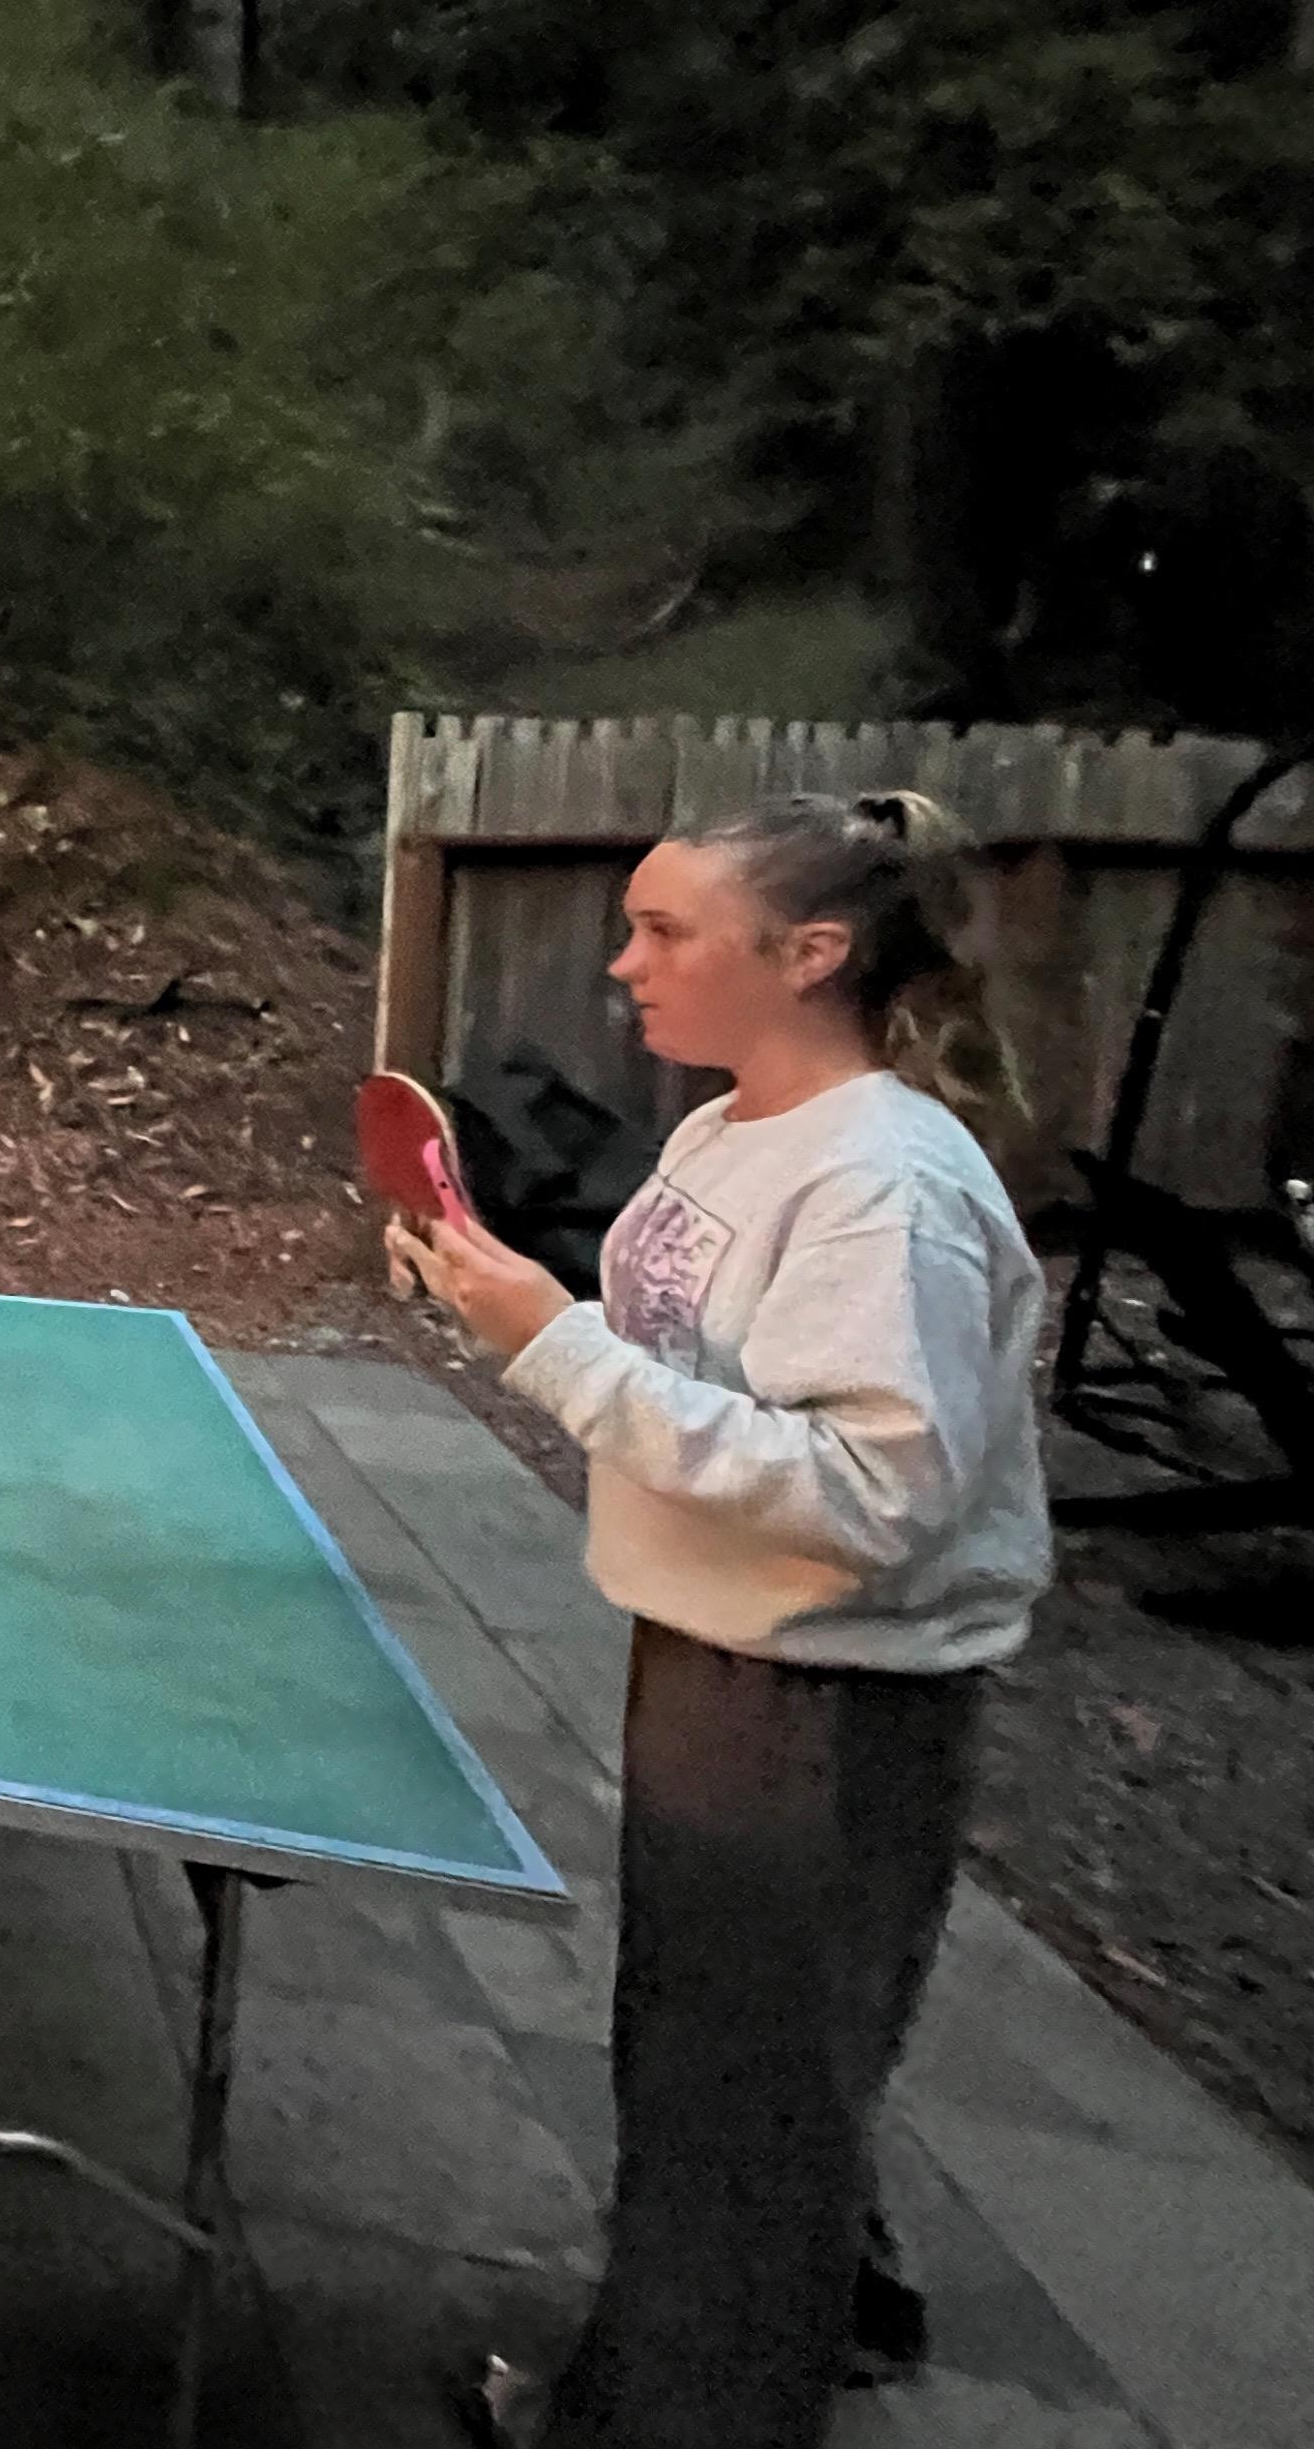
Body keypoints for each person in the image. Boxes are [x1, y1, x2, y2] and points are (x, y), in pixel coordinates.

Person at [389, 791, 1052, 2449]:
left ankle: (677, 2411)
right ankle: (828, 2304)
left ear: (809, 949)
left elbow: (870, 1490)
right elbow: (686, 1359)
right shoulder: (727, 1128)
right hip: (722, 1651)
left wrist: (550, 1344)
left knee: (727, 2089)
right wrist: (502, 1294)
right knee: (741, 2052)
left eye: (663, 929)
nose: (622, 964)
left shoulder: (884, 1187)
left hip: (816, 1693)